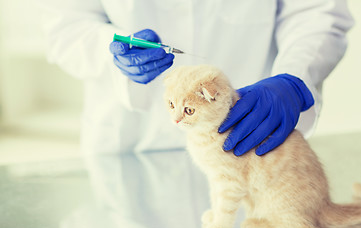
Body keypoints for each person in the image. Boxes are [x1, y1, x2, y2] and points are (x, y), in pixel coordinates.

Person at [41, 0, 353, 156]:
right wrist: (111, 51)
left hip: (249, 133)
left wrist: (296, 78)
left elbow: (316, 12)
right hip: (131, 144)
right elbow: (65, 25)